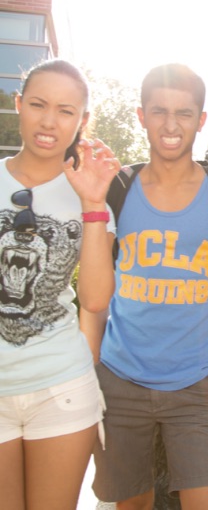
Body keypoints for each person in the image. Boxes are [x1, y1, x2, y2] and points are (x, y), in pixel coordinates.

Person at [89, 63, 208, 510]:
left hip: (196, 388)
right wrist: (91, 372)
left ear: (201, 120)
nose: (171, 124)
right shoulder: (117, 189)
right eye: (159, 111)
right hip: (120, 383)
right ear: (141, 116)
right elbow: (93, 291)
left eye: (184, 113)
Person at [0, 59, 119, 510]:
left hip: (61, 389)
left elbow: (94, 299)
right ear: (19, 105)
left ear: (82, 121)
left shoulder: (91, 193)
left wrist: (92, 204)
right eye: (37, 104)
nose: (49, 121)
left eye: (66, 111)